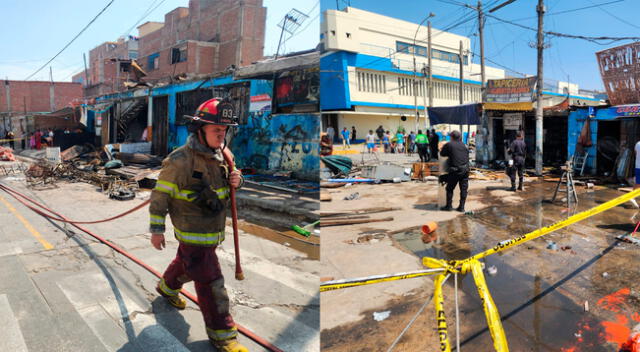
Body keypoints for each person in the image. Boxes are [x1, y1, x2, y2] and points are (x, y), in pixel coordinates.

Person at [149, 98, 248, 352]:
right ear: (199, 129)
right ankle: (223, 334)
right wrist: (157, 230)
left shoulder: (224, 155)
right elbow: (160, 196)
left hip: (211, 231)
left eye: (224, 130)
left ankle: (167, 287)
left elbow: (230, 184)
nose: (221, 134)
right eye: (216, 129)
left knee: (187, 262)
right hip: (192, 232)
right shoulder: (180, 161)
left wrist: (238, 180)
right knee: (211, 282)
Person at [439, 130, 469, 212]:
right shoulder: (464, 145)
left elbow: (442, 154)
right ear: (460, 137)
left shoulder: (449, 144)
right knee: (463, 189)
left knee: (449, 188)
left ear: (451, 137)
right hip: (465, 170)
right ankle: (461, 207)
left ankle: (449, 206)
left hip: (455, 170)